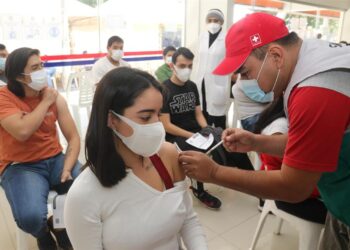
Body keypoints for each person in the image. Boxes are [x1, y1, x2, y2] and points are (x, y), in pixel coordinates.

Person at [178, 12, 350, 250]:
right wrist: (258, 142)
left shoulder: (315, 91)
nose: (244, 81)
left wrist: (215, 172)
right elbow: (312, 140)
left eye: (246, 72)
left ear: (276, 56)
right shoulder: (314, 56)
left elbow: (293, 187)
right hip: (340, 205)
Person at [64, 67, 208, 250]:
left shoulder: (168, 155)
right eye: (146, 117)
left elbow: (188, 220)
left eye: (158, 114)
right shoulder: (84, 194)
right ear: (112, 119)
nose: (157, 125)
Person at [0, 47, 81, 250]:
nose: (42, 71)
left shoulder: (53, 96)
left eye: (41, 65)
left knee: (90, 192)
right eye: (35, 67)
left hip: (55, 159)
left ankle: (60, 225)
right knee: (30, 217)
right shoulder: (4, 97)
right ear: (19, 76)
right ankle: (43, 231)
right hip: (20, 166)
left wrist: (67, 166)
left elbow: (73, 137)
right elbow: (23, 131)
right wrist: (45, 102)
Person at [160, 47, 253, 209]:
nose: (186, 69)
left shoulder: (192, 86)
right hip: (176, 135)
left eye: (189, 66)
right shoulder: (164, 90)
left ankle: (255, 181)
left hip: (196, 131)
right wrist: (192, 135)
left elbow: (198, 115)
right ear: (172, 66)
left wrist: (209, 129)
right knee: (196, 152)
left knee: (228, 140)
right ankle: (199, 189)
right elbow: (167, 125)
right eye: (182, 66)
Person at [254, 97, 327, 224]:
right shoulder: (281, 127)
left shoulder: (275, 119)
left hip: (280, 184)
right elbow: (292, 184)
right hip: (284, 192)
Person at [194, 9, 231, 129]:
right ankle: (205, 142)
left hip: (217, 83)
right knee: (203, 115)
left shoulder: (227, 38)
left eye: (215, 20)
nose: (212, 23)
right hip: (202, 82)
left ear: (221, 22)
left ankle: (222, 144)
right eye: (209, 20)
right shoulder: (202, 37)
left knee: (218, 118)